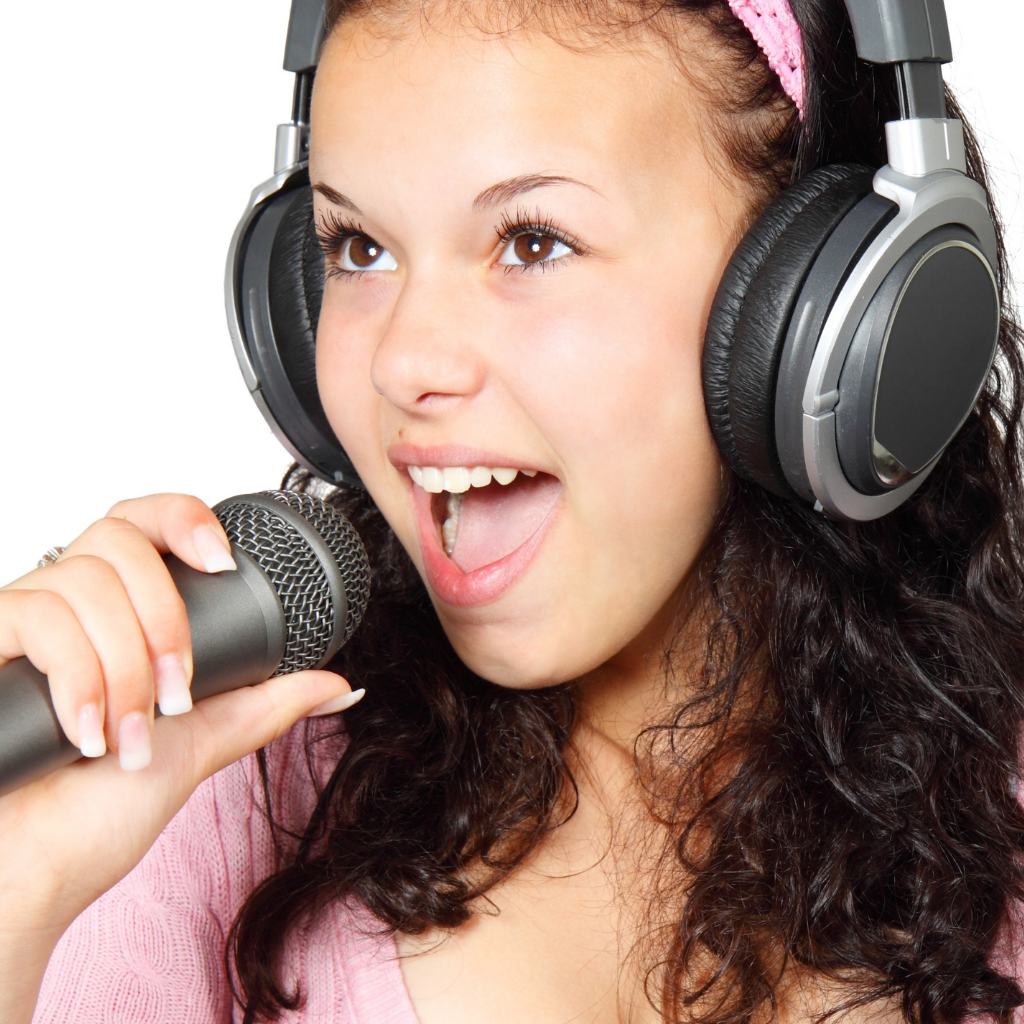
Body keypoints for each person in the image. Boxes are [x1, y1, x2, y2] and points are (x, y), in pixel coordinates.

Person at [3, 0, 1023, 1021]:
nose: (404, 362)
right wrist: (17, 894)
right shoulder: (195, 801)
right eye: (357, 247)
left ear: (820, 307)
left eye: (532, 242)